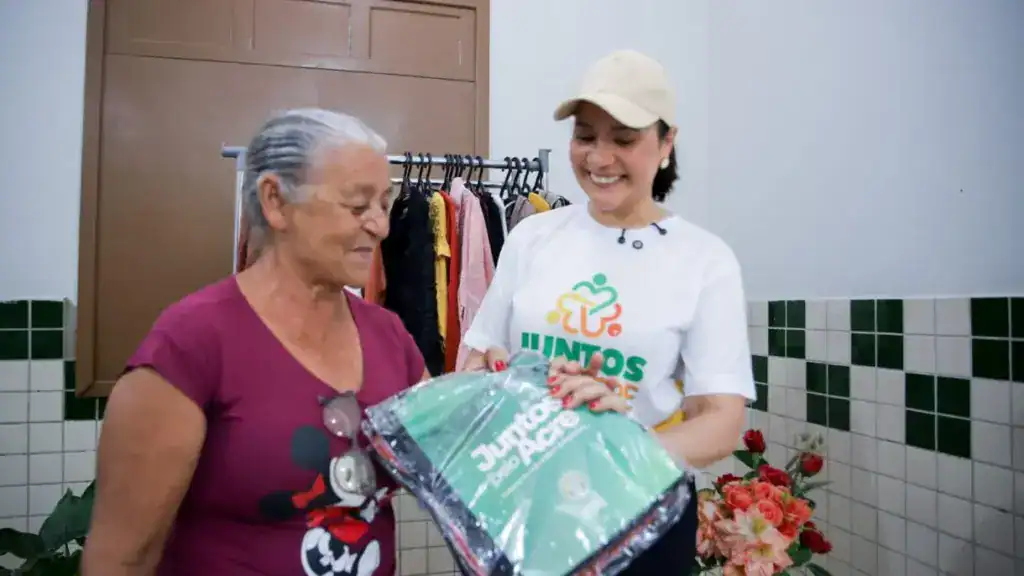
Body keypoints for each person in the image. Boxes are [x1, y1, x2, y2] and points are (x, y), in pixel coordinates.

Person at [82, 108, 428, 576]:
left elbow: (452, 462)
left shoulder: (389, 336)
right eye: (356, 205)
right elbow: (120, 559)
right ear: (275, 201)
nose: (380, 226)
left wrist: (504, 391)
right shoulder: (192, 343)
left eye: (384, 204)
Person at [461, 49, 755, 573]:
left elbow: (721, 421)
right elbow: (478, 358)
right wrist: (501, 379)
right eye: (585, 136)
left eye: (623, 139)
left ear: (666, 143)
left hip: (641, 517)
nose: (599, 158)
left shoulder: (703, 260)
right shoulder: (532, 236)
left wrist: (620, 445)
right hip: (527, 503)